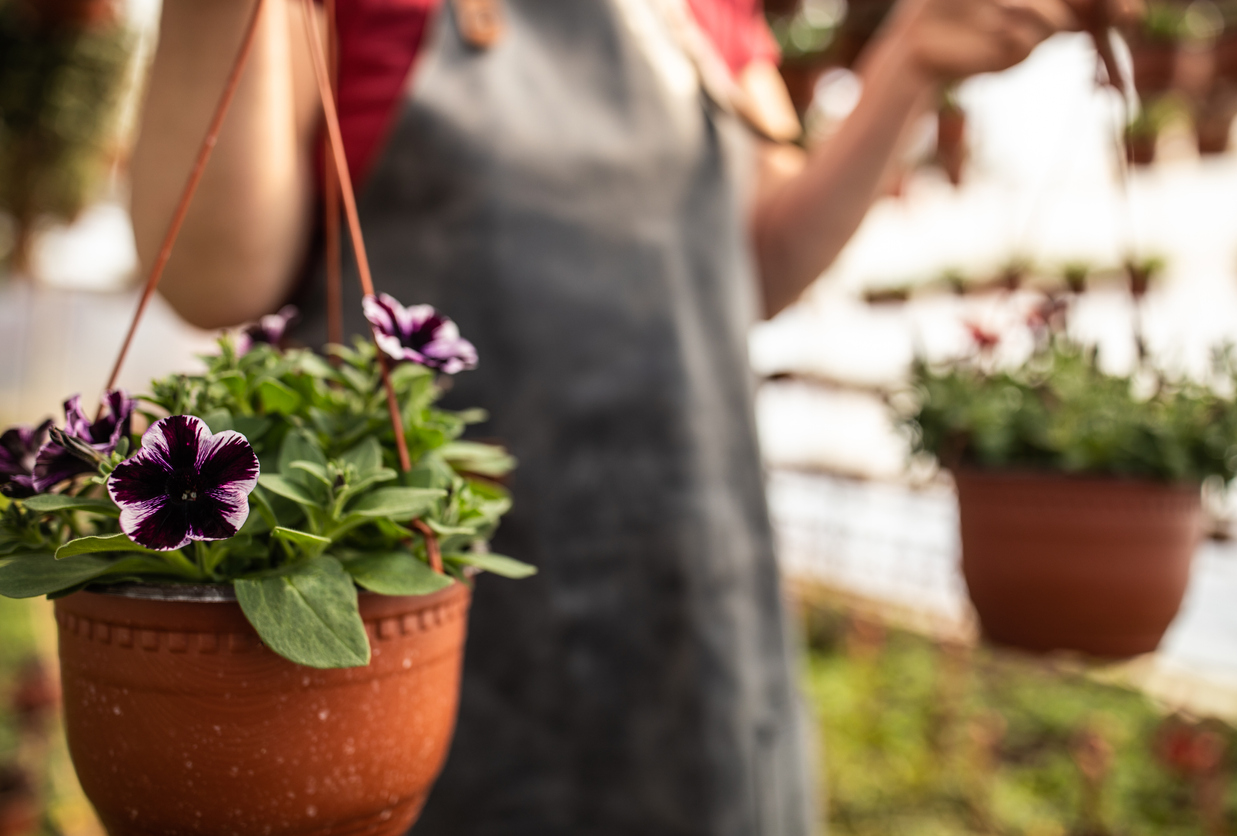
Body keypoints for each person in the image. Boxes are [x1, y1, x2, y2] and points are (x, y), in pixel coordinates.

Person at [130, 0, 1136, 833]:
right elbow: (218, 274)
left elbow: (760, 259)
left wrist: (911, 57)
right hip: (415, 633)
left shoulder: (702, 13)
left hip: (694, 619)